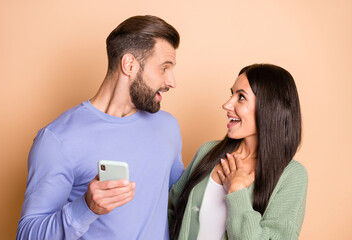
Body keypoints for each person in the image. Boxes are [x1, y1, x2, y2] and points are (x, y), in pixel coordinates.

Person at [17, 15, 184, 240]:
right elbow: (29, 234)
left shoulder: (168, 127)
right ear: (129, 65)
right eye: (164, 68)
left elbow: (183, 199)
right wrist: (87, 207)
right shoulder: (57, 139)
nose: (172, 81)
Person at [169, 64, 308, 240]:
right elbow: (171, 211)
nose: (226, 104)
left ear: (269, 107)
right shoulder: (207, 152)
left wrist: (237, 191)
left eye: (241, 97)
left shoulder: (292, 176)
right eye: (231, 94)